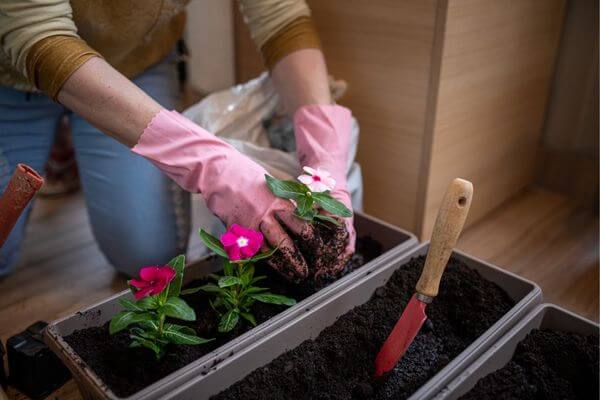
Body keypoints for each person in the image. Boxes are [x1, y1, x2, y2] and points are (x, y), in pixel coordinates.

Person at [0, 0, 355, 280]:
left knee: (145, 253)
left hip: (132, 66)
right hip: (14, 74)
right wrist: (213, 166)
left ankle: (80, 133)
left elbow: (281, 16)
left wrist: (324, 153)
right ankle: (65, 134)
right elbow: (34, 32)